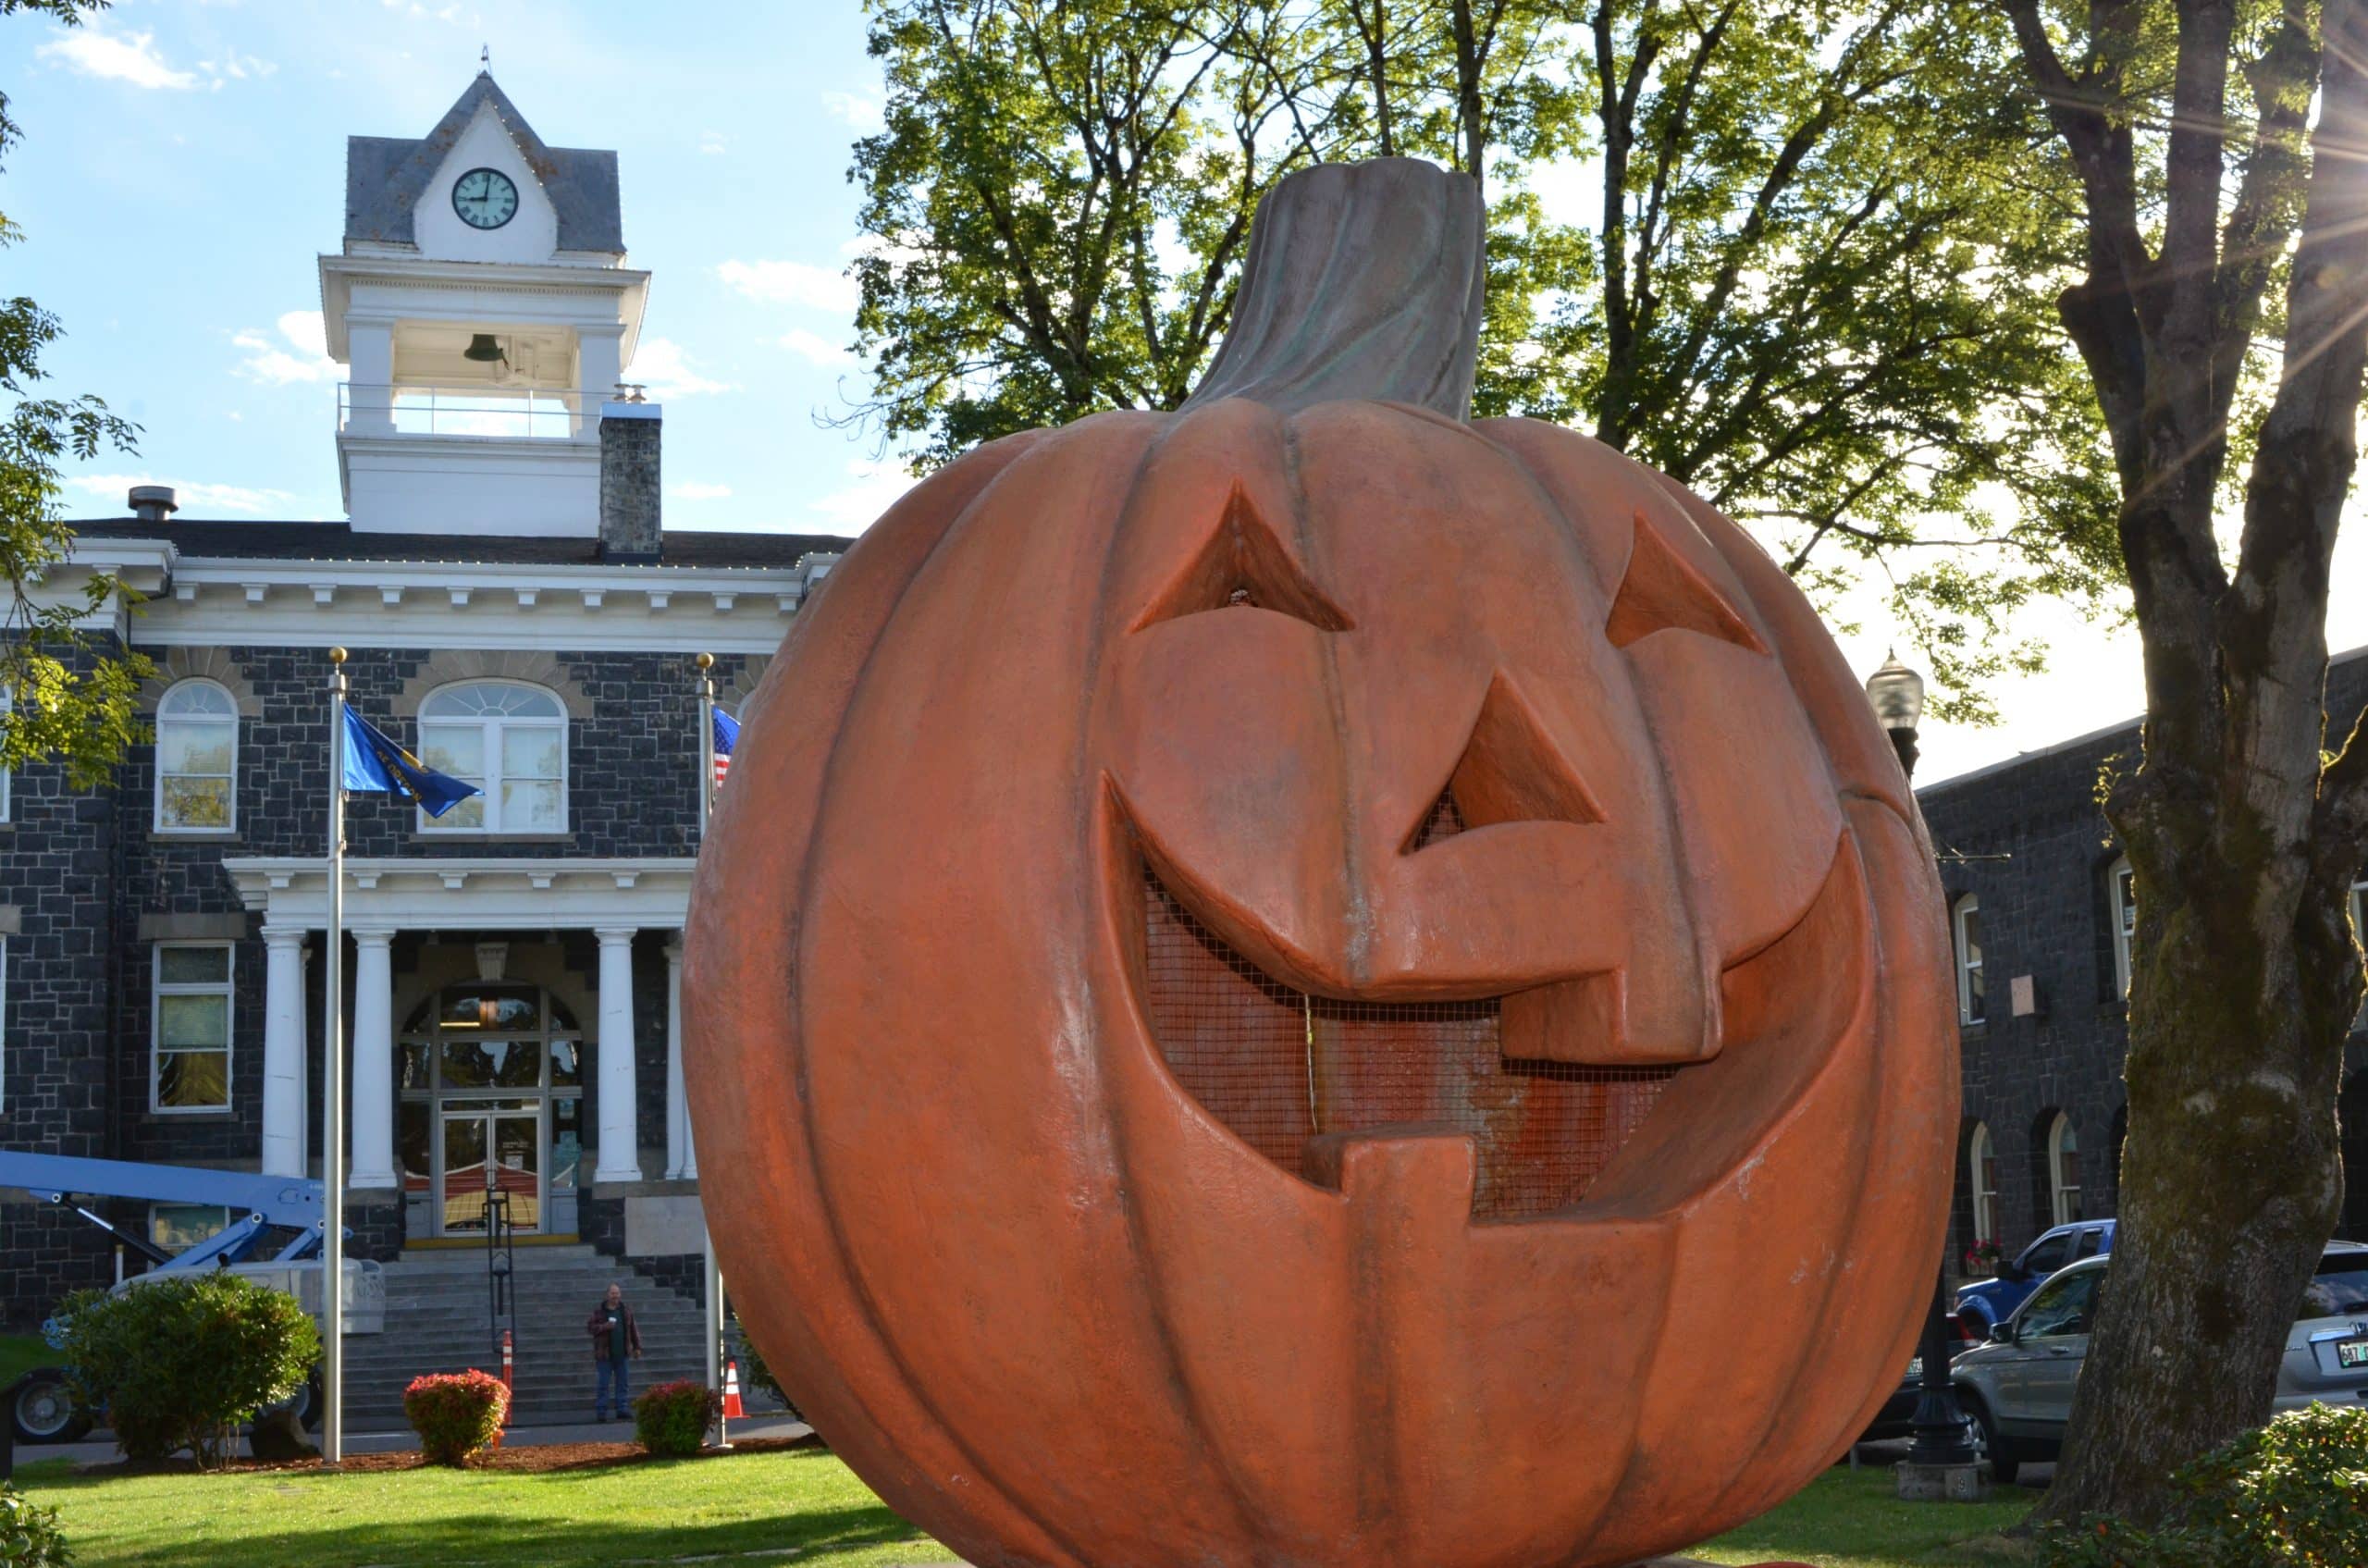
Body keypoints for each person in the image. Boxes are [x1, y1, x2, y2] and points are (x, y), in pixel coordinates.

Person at [587, 1281, 643, 1421]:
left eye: (617, 1293)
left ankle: (622, 1409)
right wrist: (605, 1326)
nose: (615, 1296)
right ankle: (601, 1411)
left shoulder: (625, 1311)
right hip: (604, 1355)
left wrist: (637, 1347)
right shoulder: (599, 1311)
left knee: (623, 1384)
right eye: (613, 1293)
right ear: (607, 1295)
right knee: (603, 1384)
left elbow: (633, 1330)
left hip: (622, 1354)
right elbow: (590, 1328)